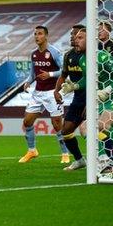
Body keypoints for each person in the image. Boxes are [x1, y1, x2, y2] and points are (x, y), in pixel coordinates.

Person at [58, 28, 113, 172]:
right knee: (85, 128)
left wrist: (109, 89)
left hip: (112, 96)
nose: (76, 40)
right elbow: (87, 79)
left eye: (80, 37)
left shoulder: (102, 57)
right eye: (76, 38)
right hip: (102, 100)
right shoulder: (83, 59)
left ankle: (106, 160)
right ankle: (104, 160)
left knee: (102, 126)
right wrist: (75, 86)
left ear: (90, 40)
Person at [19, 25, 70, 164]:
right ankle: (32, 151)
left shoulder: (54, 52)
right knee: (27, 121)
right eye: (35, 34)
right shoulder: (34, 53)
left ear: (46, 36)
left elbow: (64, 70)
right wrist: (28, 82)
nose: (37, 36)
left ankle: (65, 153)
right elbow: (33, 72)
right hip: (37, 93)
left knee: (57, 124)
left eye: (40, 34)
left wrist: (50, 74)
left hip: (52, 92)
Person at [54, 25, 87, 170]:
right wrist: (56, 91)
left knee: (89, 130)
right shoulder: (68, 55)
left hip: (93, 97)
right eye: (72, 34)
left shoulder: (91, 54)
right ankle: (80, 160)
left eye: (76, 35)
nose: (72, 37)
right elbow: (63, 75)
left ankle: (105, 160)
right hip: (78, 98)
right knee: (66, 130)